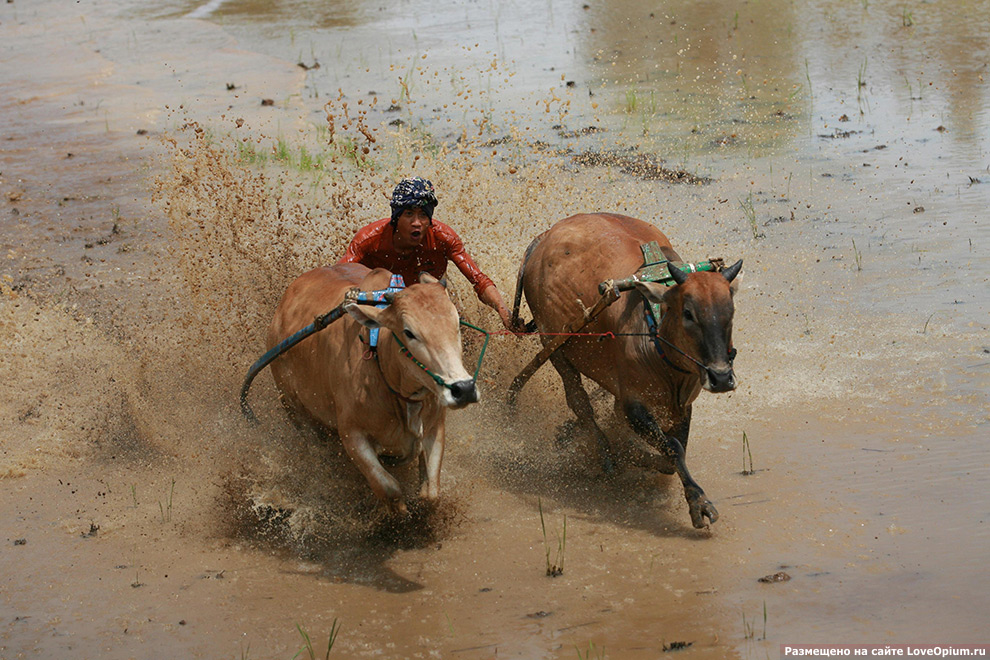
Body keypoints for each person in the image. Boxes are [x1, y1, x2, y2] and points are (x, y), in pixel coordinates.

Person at [339, 177, 519, 331]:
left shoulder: (444, 239)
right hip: (383, 308)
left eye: (423, 216)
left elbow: (478, 280)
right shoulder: (369, 240)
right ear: (396, 218)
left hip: (428, 303)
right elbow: (337, 277)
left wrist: (503, 310)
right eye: (409, 214)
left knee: (469, 338)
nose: (417, 223)